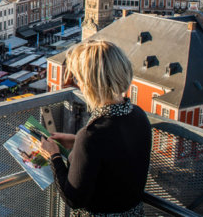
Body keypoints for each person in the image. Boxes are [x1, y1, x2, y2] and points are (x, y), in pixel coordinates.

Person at [41, 40, 151, 216]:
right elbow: (115, 152)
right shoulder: (139, 115)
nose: (78, 85)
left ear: (91, 83)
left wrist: (53, 156)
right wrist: (77, 142)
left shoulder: (92, 135)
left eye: (79, 78)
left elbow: (73, 199)